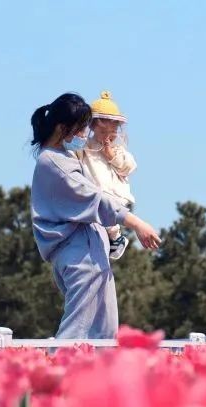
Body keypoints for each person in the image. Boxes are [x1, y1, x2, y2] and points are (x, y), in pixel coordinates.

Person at [29, 93, 161, 339]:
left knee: (104, 332)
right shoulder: (54, 163)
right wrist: (136, 223)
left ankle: (98, 377)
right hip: (79, 252)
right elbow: (95, 199)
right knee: (77, 332)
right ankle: (57, 374)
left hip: (90, 248)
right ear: (62, 128)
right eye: (80, 129)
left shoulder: (65, 157)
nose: (83, 135)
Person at [79, 91, 137, 261]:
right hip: (97, 193)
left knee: (110, 218)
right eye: (103, 131)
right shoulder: (85, 146)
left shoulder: (118, 149)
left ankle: (115, 239)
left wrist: (111, 155)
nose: (107, 136)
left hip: (114, 195)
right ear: (92, 127)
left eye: (112, 132)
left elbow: (129, 167)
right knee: (101, 217)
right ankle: (115, 240)